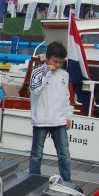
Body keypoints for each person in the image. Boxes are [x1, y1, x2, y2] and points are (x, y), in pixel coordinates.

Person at [29, 41, 73, 182]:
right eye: (55, 61)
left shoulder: (64, 75)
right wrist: (47, 72)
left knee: (64, 155)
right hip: (41, 120)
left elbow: (66, 97)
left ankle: (67, 181)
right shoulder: (37, 72)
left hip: (59, 120)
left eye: (60, 62)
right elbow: (35, 90)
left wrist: (68, 116)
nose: (58, 65)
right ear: (47, 58)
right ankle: (34, 180)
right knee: (37, 154)